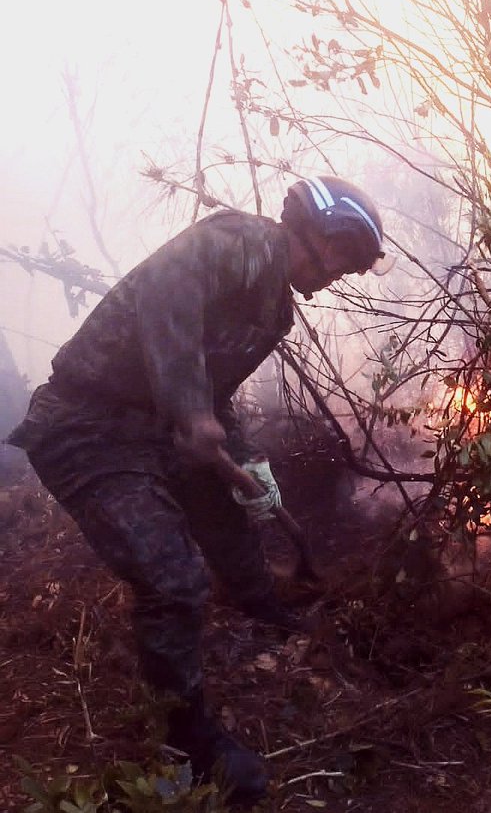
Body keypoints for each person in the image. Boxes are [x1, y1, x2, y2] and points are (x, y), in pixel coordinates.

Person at [6, 176, 388, 805]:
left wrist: (243, 458)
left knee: (227, 510)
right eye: (344, 254)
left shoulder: (273, 309)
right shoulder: (241, 242)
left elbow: (213, 395)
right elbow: (166, 290)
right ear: (315, 230)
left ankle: (260, 600)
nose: (343, 272)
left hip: (156, 433)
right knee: (172, 578)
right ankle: (184, 742)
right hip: (86, 426)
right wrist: (189, 410)